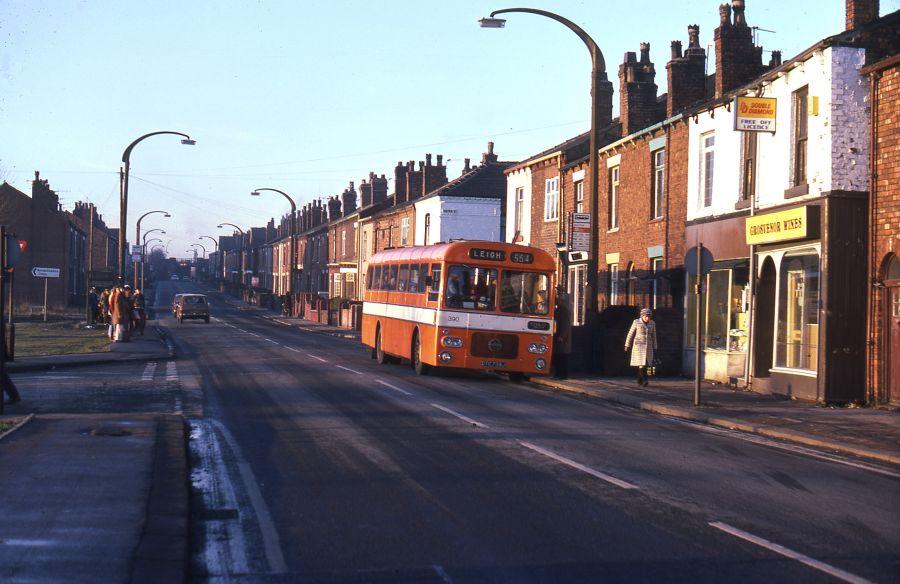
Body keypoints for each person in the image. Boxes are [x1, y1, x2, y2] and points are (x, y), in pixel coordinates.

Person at [625, 308, 658, 387]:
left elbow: (654, 336)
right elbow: (630, 333)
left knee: (648, 364)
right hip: (638, 346)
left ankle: (639, 380)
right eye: (646, 316)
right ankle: (644, 380)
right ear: (642, 316)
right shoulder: (636, 322)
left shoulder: (652, 323)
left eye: (649, 316)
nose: (648, 318)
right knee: (641, 364)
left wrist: (655, 346)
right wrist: (627, 345)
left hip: (649, 347)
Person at [553, 288, 572, 379]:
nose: (556, 301)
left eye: (557, 300)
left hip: (562, 339)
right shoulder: (559, 309)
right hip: (558, 337)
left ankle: (563, 374)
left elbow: (565, 325)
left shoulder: (564, 310)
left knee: (562, 357)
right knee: (557, 357)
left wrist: (562, 336)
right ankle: (558, 374)